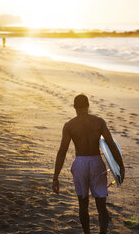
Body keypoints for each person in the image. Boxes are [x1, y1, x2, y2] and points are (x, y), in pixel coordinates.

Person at [52, 94, 125, 234]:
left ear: (74, 107)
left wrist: (55, 177)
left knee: (83, 205)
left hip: (80, 164)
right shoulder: (99, 122)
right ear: (88, 106)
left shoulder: (69, 125)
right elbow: (111, 145)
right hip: (97, 162)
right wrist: (120, 167)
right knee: (101, 206)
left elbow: (62, 151)